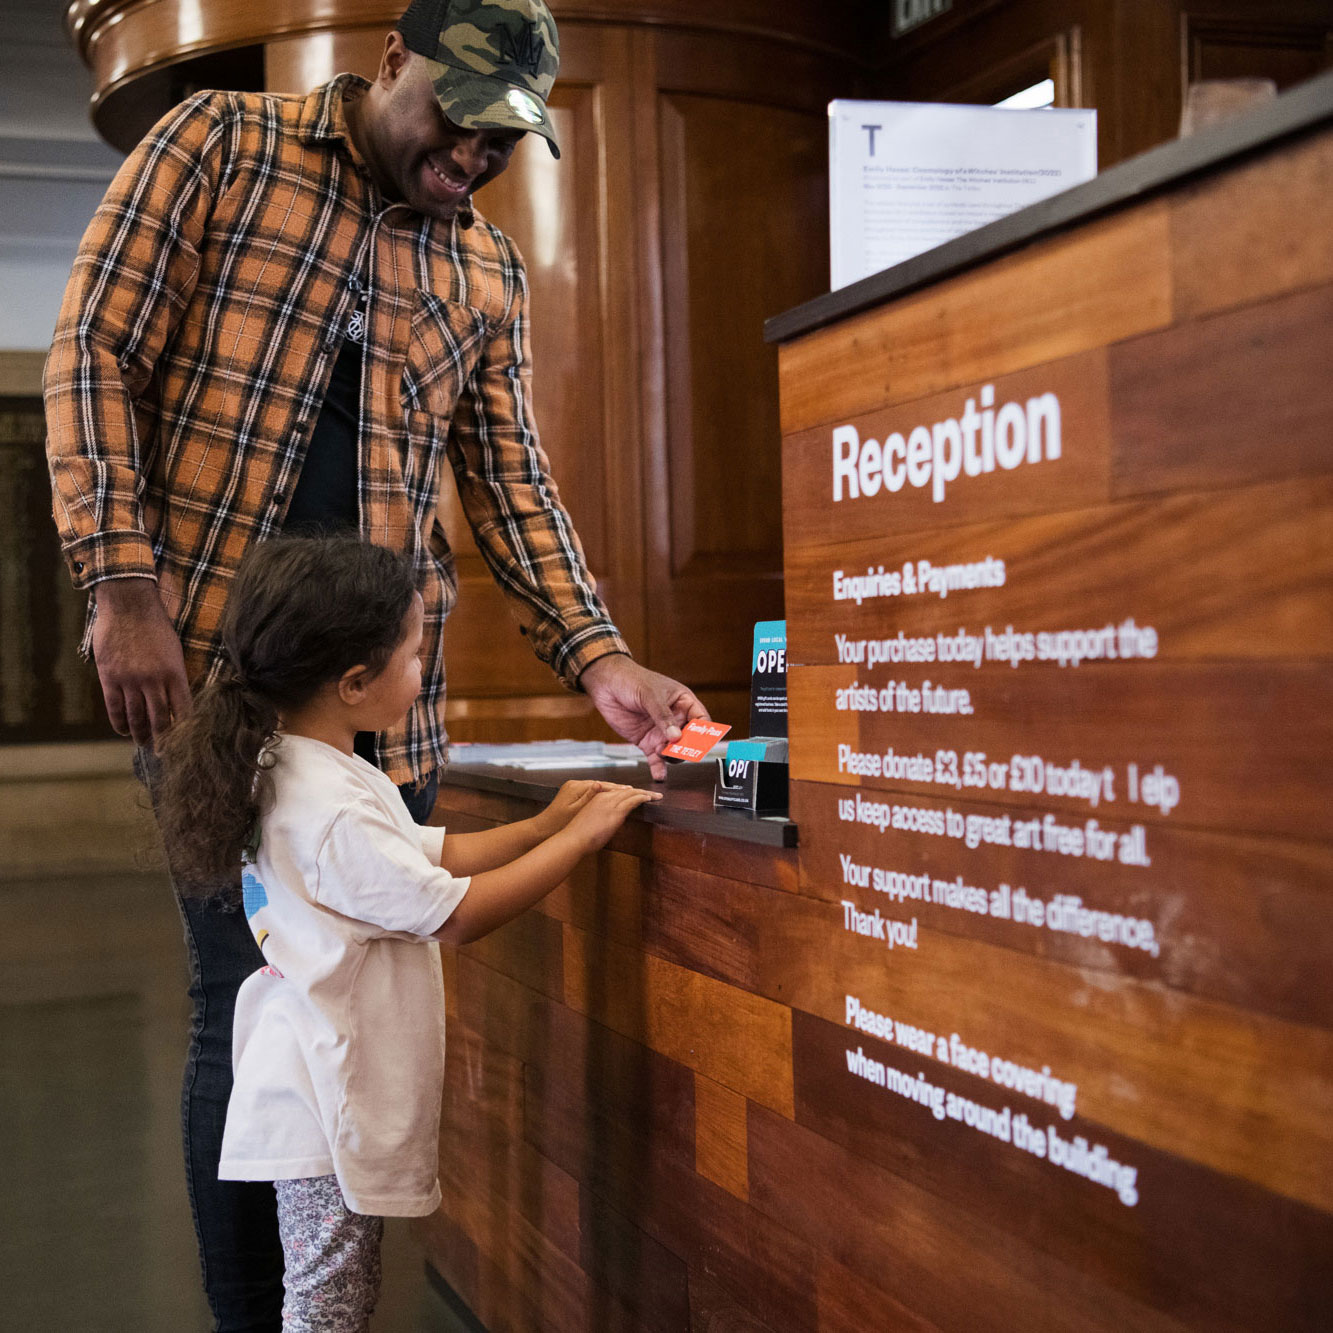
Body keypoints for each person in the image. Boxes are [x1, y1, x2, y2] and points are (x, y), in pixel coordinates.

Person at [43, 0, 706, 1324]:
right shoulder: (219, 145)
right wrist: (121, 582)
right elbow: (94, 350)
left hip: (382, 720)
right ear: (393, 58)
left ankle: (328, 1298)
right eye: (455, 119)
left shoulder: (486, 269)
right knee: (250, 1006)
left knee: (363, 1007)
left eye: (501, 141)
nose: (471, 157)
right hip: (216, 688)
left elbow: (511, 481)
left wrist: (600, 659)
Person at [155, 534, 659, 1331]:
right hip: (326, 1093)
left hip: (315, 1071)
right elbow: (455, 914)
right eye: (414, 654)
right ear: (354, 682)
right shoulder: (327, 807)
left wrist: (543, 825)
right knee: (327, 1301)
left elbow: (428, 856)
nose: (423, 672)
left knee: (333, 1290)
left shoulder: (309, 765)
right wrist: (576, 843)